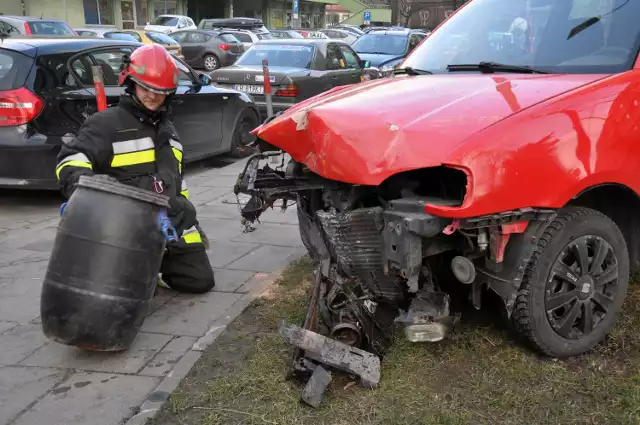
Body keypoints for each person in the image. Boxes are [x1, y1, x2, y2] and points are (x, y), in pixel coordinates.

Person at [55, 44, 215, 294]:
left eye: (160, 91)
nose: (152, 96)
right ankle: (139, 270)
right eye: (146, 88)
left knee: (200, 280)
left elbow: (176, 181)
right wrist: (92, 190)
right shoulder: (105, 124)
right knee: (125, 289)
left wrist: (183, 208)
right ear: (130, 83)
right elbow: (70, 161)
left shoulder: (170, 133)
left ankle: (155, 268)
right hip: (120, 225)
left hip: (164, 223)